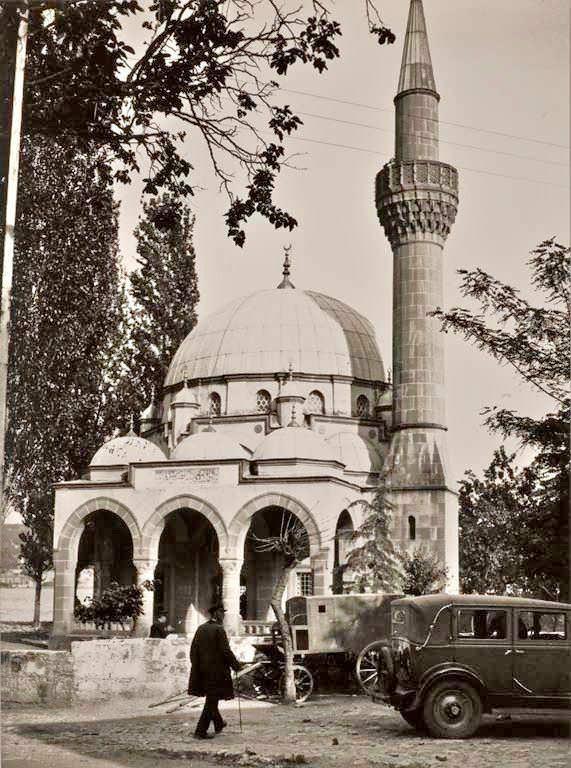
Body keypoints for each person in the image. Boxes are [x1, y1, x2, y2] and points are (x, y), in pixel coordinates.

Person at [188, 603, 241, 740]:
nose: (223, 615)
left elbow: (193, 651)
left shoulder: (201, 628)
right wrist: (236, 665)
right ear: (216, 613)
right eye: (222, 613)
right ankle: (200, 731)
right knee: (211, 701)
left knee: (212, 698)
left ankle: (218, 723)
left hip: (201, 671)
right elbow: (225, 651)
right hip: (216, 672)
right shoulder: (219, 630)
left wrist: (197, 667)